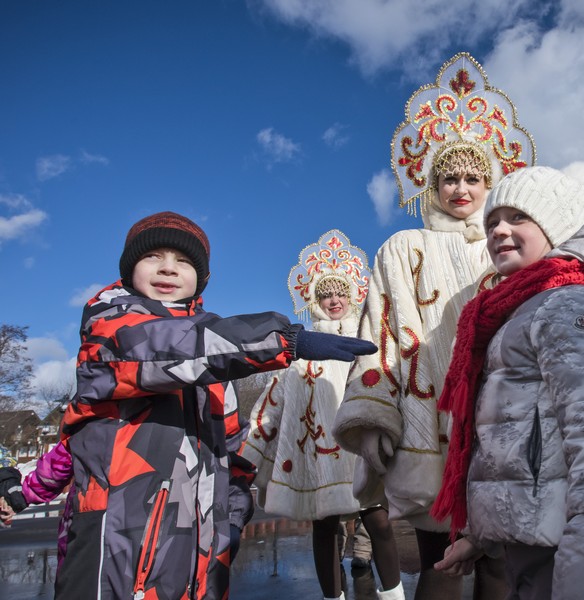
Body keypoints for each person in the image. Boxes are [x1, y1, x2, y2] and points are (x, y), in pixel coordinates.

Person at [44, 211, 376, 600]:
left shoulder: (214, 363)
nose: (168, 268)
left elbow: (232, 449)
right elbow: (165, 347)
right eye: (152, 256)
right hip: (117, 547)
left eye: (183, 261)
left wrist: (231, 522)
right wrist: (284, 341)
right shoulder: (110, 327)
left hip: (201, 554)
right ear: (129, 268)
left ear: (202, 278)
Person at [332, 52, 535, 600]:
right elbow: (379, 337)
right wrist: (373, 417)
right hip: (429, 420)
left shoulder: (510, 246)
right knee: (441, 564)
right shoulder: (403, 247)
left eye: (474, 177)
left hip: (503, 418)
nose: (460, 188)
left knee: (500, 563)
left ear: (493, 183)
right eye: (449, 178)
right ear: (431, 184)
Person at [432, 165, 584, 599]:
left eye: (518, 217)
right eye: (492, 222)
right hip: (540, 538)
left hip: (577, 550)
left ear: (557, 225)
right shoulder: (519, 309)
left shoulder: (568, 304)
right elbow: (523, 442)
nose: (498, 230)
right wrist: (481, 536)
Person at [241, 229, 403, 600]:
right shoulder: (301, 352)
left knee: (379, 522)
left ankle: (394, 595)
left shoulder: (369, 344)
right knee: (325, 530)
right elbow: (272, 404)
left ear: (353, 296)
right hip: (318, 458)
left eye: (340, 293)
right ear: (315, 301)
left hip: (361, 454)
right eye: (326, 294)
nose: (334, 300)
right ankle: (333, 597)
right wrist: (249, 453)